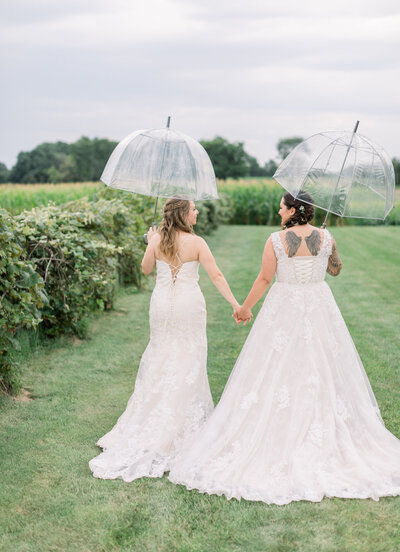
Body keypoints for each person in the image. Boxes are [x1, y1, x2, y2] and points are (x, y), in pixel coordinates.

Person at [168, 191, 400, 504]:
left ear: (293, 211)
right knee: (321, 362)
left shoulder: (276, 241)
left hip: (286, 304)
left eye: (281, 207)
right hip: (318, 303)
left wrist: (245, 308)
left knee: (278, 365)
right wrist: (326, 249)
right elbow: (335, 269)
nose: (279, 212)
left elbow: (265, 279)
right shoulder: (326, 237)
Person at [89, 198, 240, 482]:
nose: (196, 212)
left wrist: (150, 240)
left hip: (161, 305)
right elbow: (216, 275)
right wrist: (235, 304)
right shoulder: (197, 243)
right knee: (189, 357)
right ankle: (179, 426)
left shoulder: (157, 240)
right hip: (188, 305)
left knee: (160, 355)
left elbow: (146, 269)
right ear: (183, 214)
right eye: (193, 209)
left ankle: (152, 418)